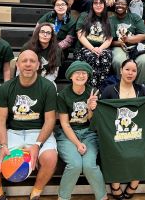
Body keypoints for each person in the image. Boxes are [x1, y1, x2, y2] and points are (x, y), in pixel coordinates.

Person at [0, 50, 58, 200]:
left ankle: (35, 193)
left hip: (38, 132)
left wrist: (37, 144)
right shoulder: (6, 87)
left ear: (38, 65)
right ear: (18, 64)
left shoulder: (48, 87)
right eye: (24, 61)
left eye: (32, 61)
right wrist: (3, 145)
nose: (28, 64)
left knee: (50, 158)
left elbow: (50, 120)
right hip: (12, 132)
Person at [56, 61, 107, 200]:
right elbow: (65, 124)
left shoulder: (93, 92)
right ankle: (63, 197)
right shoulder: (62, 95)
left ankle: (102, 197)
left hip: (89, 133)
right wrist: (78, 144)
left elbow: (93, 122)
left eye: (84, 73)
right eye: (77, 72)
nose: (80, 75)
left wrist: (91, 108)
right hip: (68, 135)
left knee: (90, 166)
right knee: (75, 165)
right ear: (70, 76)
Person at [101, 59, 145, 199]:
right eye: (127, 69)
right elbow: (102, 112)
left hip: (137, 134)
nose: (130, 73)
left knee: (142, 152)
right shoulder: (110, 90)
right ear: (121, 71)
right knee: (115, 152)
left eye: (134, 70)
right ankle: (114, 185)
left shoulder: (142, 90)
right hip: (114, 134)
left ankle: (134, 184)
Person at [110, 0, 145, 84]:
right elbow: (109, 41)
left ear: (127, 6)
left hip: (136, 46)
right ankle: (122, 85)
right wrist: (119, 43)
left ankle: (141, 86)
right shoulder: (111, 20)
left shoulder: (135, 17)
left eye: (123, 4)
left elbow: (144, 36)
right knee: (118, 60)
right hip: (119, 46)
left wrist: (127, 39)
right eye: (117, 3)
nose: (120, 5)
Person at [74, 0, 113, 89]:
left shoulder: (108, 20)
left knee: (106, 55)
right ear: (92, 5)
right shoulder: (84, 16)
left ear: (104, 5)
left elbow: (109, 39)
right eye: (95, 3)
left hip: (101, 48)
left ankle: (101, 88)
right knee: (92, 56)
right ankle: (90, 88)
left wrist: (100, 49)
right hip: (84, 48)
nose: (98, 5)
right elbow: (80, 36)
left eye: (101, 3)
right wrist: (92, 48)